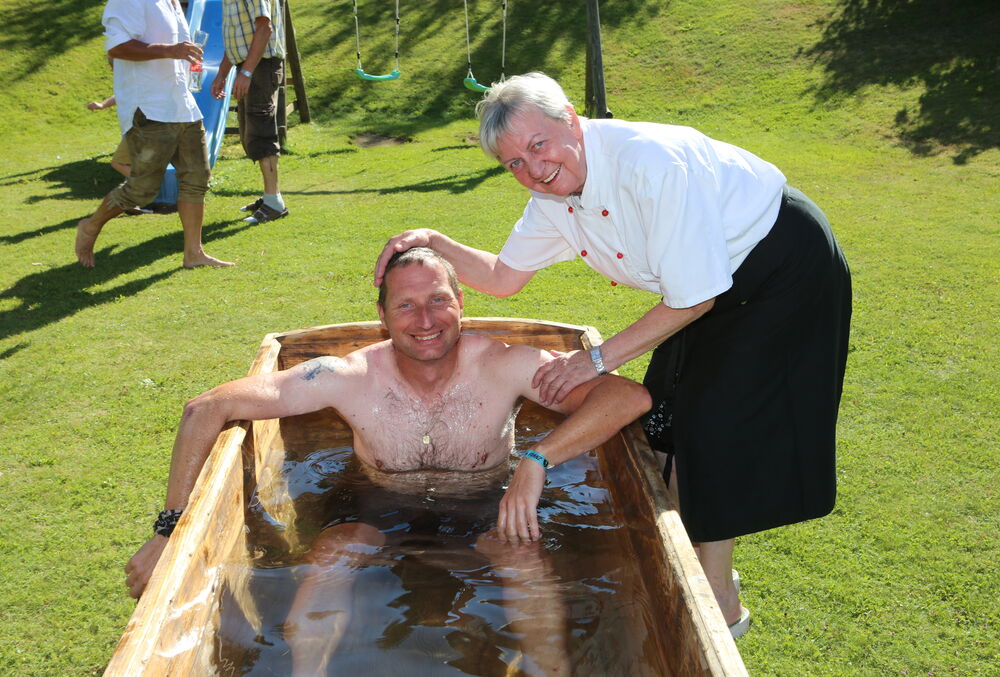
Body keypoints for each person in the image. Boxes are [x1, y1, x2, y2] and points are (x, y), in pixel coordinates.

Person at [375, 72, 853, 638]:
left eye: (539, 145)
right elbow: (504, 278)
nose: (533, 169)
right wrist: (433, 241)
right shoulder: (551, 195)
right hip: (706, 286)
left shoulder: (651, 164)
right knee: (667, 424)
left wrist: (596, 360)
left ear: (570, 119)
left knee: (712, 426)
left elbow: (695, 298)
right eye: (514, 163)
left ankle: (720, 608)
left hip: (781, 269)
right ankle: (693, 573)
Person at [124, 247, 650, 671]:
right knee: (333, 550)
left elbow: (626, 397)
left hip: (486, 500)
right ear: (382, 316)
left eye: (438, 300)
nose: (425, 319)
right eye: (405, 305)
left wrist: (537, 458)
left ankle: (549, 671)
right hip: (377, 504)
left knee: (523, 556)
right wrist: (170, 532)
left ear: (460, 302)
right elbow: (206, 407)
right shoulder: (347, 377)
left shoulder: (505, 364)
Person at [76, 0, 233, 269]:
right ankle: (90, 226)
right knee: (143, 189)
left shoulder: (172, 3)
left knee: (197, 178)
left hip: (183, 105)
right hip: (149, 107)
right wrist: (171, 50)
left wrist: (185, 60)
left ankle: (194, 253)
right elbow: (117, 48)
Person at [210, 0, 289, 225]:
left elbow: (264, 28)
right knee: (250, 134)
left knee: (261, 133)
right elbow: (237, 42)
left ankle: (274, 203)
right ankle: (270, 197)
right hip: (250, 64)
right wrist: (222, 74)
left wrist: (246, 72)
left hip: (262, 65)